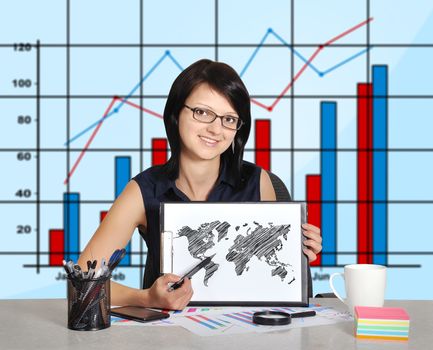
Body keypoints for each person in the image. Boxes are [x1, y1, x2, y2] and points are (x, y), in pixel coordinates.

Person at [77, 59, 322, 310]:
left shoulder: (259, 182)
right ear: (175, 113)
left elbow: (271, 279)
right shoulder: (144, 189)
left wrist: (297, 252)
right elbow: (81, 282)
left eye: (229, 119)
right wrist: (146, 298)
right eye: (202, 112)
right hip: (169, 336)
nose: (216, 129)